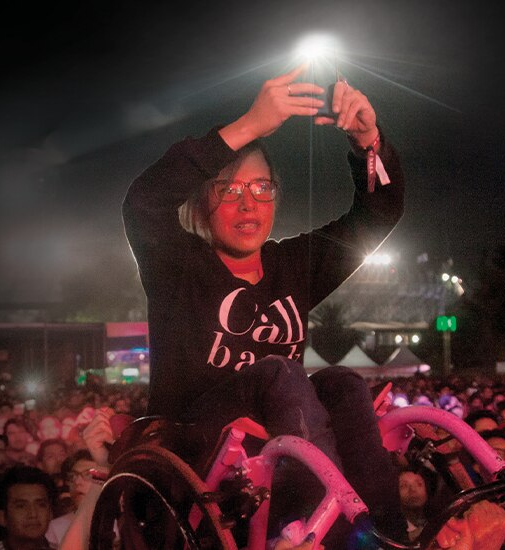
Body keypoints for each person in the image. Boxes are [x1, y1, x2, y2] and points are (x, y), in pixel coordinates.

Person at [121, 62, 406, 543]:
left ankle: (383, 533)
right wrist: (249, 125)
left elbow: (378, 214)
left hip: (277, 439)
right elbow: (143, 202)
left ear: (275, 199)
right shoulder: (178, 264)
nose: (248, 203)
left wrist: (369, 142)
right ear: (199, 206)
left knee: (341, 382)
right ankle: (315, 531)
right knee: (282, 371)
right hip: (196, 444)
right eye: (229, 190)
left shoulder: (293, 267)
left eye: (260, 188)